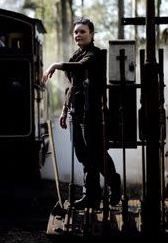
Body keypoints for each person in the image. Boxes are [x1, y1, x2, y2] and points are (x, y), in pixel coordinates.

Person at [42, 18, 121, 208]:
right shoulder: (75, 55)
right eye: (76, 32)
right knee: (83, 155)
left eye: (83, 31)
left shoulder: (96, 54)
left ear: (92, 34)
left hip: (94, 113)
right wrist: (64, 110)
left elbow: (82, 67)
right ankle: (92, 195)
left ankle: (114, 183)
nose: (78, 35)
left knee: (96, 154)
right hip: (76, 114)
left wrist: (55, 65)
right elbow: (72, 87)